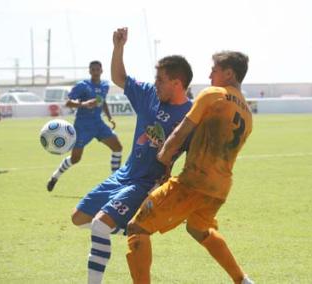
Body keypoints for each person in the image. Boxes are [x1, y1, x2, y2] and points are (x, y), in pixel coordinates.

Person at [70, 27, 193, 284]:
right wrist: (118, 47)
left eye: (161, 80)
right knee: (78, 218)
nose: (155, 83)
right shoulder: (149, 94)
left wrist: (169, 189)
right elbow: (120, 77)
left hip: (146, 182)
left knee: (99, 226)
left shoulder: (191, 117)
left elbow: (195, 161)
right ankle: (132, 225)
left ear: (177, 83)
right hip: (124, 175)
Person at [125, 51, 255, 284]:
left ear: (228, 73)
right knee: (198, 229)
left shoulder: (214, 94)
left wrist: (163, 158)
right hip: (220, 188)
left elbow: (182, 129)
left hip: (193, 182)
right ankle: (242, 280)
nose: (209, 75)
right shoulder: (246, 111)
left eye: (214, 70)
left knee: (137, 227)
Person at [46, 60, 123, 191]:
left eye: (97, 69)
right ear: (89, 71)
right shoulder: (82, 85)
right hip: (82, 126)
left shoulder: (105, 85)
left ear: (101, 70)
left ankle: (115, 181)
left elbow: (102, 101)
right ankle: (55, 176)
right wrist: (84, 104)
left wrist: (109, 117)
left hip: (98, 124)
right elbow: (68, 103)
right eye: (93, 69)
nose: (95, 72)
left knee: (117, 147)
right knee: (76, 159)